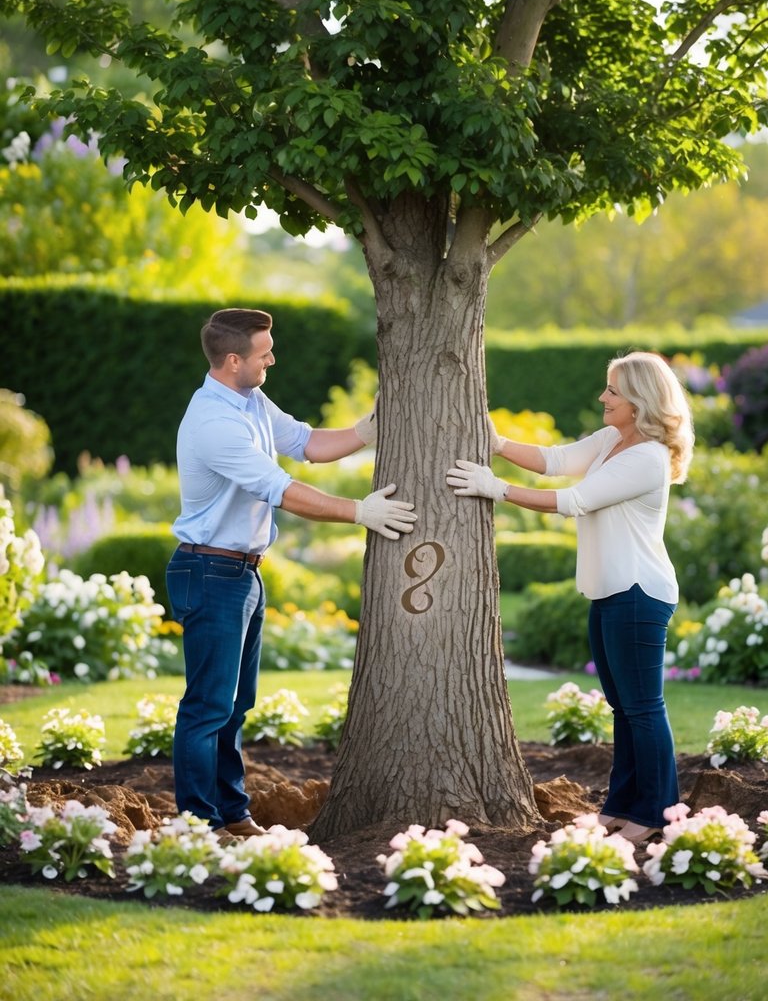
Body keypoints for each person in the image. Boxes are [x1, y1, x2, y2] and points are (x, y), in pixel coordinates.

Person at [166, 307, 417, 839]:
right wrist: (359, 511)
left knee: (235, 706)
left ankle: (231, 815)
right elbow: (281, 489)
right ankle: (197, 826)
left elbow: (306, 443)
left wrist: (366, 431)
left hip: (241, 574)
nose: (273, 358)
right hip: (210, 570)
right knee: (208, 707)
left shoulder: (250, 399)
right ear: (234, 360)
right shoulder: (214, 421)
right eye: (264, 353)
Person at [446, 351, 694, 844]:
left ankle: (657, 814)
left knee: (643, 708)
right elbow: (556, 461)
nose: (603, 397)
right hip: (610, 593)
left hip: (639, 594)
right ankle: (622, 805)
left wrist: (496, 489)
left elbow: (573, 500)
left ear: (640, 400)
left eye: (613, 391)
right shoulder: (612, 440)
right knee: (623, 708)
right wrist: (494, 442)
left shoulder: (646, 458)